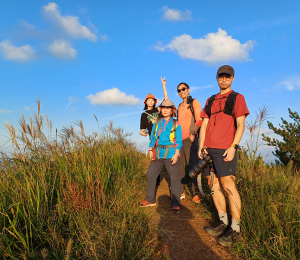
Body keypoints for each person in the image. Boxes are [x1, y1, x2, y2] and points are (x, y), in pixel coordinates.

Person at [198, 65, 249, 247]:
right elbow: (204, 124)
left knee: (228, 186)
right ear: (217, 78)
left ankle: (235, 228)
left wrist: (234, 146)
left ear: (233, 79)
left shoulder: (237, 98)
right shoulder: (210, 99)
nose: (224, 80)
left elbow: (241, 125)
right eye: (221, 77)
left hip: (225, 149)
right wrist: (201, 146)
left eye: (227, 77)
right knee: (214, 185)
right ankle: (222, 221)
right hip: (209, 149)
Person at [139, 99, 183, 213]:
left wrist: (177, 153)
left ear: (172, 110)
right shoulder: (157, 122)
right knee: (151, 174)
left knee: (174, 178)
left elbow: (178, 140)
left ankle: (176, 203)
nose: (165, 110)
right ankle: (150, 200)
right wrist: (150, 148)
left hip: (171, 154)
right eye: (163, 108)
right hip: (158, 153)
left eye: (168, 108)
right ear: (161, 109)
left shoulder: (176, 124)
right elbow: (153, 137)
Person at [177, 82, 202, 203]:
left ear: (188, 90)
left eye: (183, 89)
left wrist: (193, 133)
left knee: (192, 166)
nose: (181, 91)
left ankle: (196, 193)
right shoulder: (179, 106)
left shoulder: (194, 102)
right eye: (179, 90)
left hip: (190, 139)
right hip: (179, 141)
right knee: (180, 167)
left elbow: (199, 119)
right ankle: (181, 191)